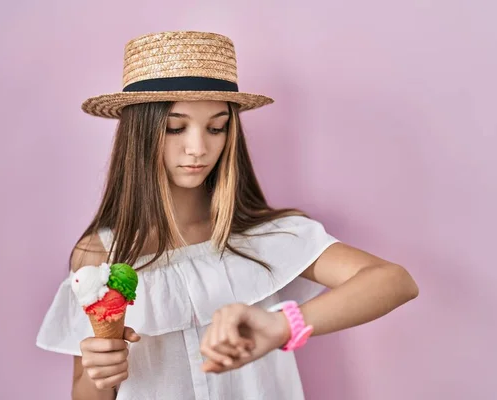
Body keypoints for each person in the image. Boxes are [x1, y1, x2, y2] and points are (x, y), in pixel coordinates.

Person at [36, 31, 419, 400]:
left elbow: (394, 281)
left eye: (216, 128)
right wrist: (98, 371)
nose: (198, 148)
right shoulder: (100, 254)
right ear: (140, 133)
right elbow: (87, 396)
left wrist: (281, 325)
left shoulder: (265, 236)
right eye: (175, 128)